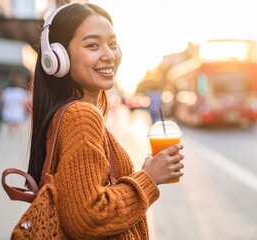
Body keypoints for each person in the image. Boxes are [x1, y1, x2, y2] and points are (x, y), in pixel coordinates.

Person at [27, 3, 184, 239]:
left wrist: (145, 173)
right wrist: (149, 178)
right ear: (58, 57)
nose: (109, 55)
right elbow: (89, 218)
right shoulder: (81, 116)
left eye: (112, 44)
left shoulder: (69, 113)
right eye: (93, 45)